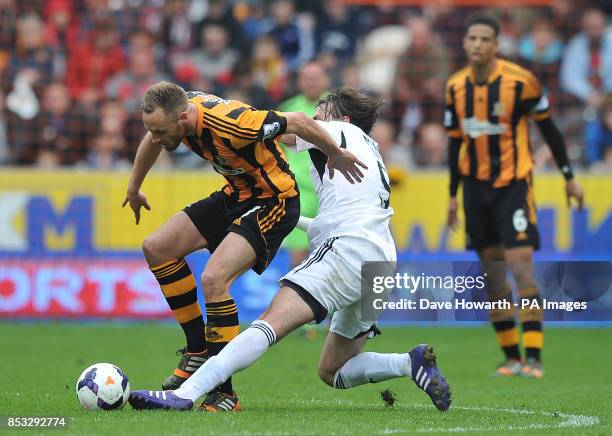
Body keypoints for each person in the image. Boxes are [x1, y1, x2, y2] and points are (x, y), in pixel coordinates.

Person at [127, 88, 452, 413]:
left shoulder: (337, 133)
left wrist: (251, 124)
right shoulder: (371, 148)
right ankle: (411, 363)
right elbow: (334, 215)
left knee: (268, 324)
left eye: (321, 111)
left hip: (349, 253)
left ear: (343, 118)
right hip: (381, 260)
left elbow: (292, 126)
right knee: (333, 371)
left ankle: (188, 393)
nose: (315, 117)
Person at [444, 16, 584, 378]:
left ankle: (534, 357)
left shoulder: (521, 82)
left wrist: (569, 178)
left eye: (484, 38)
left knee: (521, 267)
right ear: (465, 44)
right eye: (471, 37)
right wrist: (452, 196)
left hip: (514, 186)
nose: (476, 44)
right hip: (475, 189)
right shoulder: (455, 87)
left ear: (496, 45)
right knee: (493, 277)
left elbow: (549, 129)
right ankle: (511, 357)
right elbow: (456, 143)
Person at [278, 61, 330, 267]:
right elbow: (277, 149)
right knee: (298, 256)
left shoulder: (336, 106)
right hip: (301, 191)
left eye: (315, 78)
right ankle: (300, 296)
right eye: (307, 78)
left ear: (325, 80)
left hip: (331, 189)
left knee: (333, 251)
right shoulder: (288, 110)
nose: (311, 83)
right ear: (300, 81)